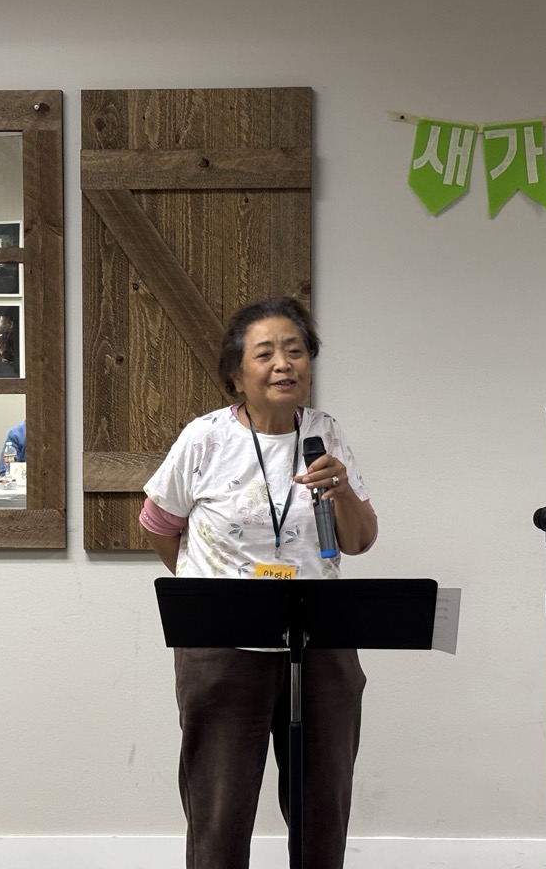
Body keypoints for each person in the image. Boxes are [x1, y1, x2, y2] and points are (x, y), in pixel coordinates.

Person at [139, 296, 378, 869]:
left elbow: (359, 541)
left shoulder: (325, 432)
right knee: (219, 813)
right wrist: (214, 595)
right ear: (236, 373)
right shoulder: (205, 438)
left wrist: (342, 488)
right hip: (223, 650)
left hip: (320, 645)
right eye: (265, 353)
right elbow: (159, 526)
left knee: (323, 809)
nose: (283, 364)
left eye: (295, 351)